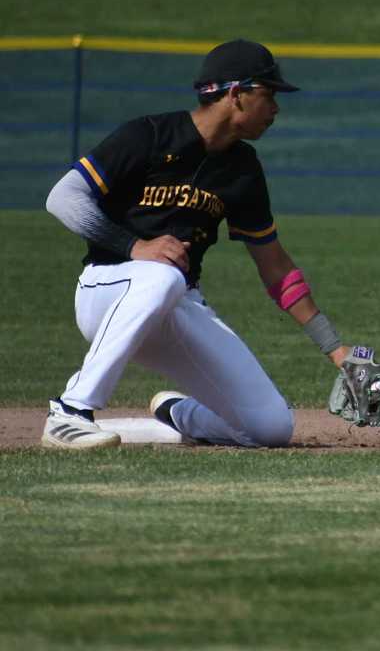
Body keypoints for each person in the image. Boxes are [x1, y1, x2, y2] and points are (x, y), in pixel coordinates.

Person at [42, 39, 356, 449]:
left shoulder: (243, 170)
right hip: (108, 290)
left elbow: (276, 269)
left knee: (271, 429)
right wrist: (135, 246)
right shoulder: (150, 136)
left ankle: (177, 418)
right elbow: (62, 198)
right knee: (163, 276)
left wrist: (338, 352)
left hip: (177, 303)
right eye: (269, 94)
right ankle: (70, 411)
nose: (276, 107)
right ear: (235, 94)